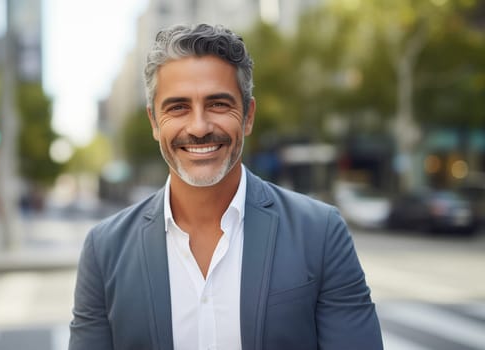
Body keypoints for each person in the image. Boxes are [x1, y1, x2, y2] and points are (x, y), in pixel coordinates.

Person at [69, 24, 383, 350]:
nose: (199, 127)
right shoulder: (104, 250)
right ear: (154, 123)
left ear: (248, 116)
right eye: (178, 107)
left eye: (218, 104)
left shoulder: (320, 232)